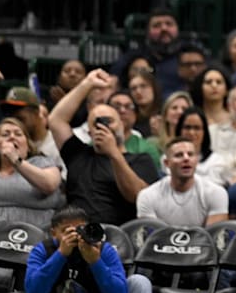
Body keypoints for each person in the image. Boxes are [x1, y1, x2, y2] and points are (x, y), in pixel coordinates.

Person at [47, 69, 160, 225]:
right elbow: (56, 120)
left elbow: (138, 197)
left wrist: (114, 153)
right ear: (89, 131)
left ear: (121, 124)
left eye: (109, 121)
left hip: (119, 236)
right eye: (97, 123)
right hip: (76, 233)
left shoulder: (140, 160)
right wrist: (87, 83)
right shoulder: (78, 154)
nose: (103, 127)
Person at [26, 205, 153, 293]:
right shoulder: (42, 250)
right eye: (67, 231)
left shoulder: (104, 250)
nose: (75, 236)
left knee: (139, 282)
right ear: (53, 233)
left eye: (80, 230)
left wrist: (95, 262)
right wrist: (60, 255)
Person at [136, 137, 229, 227]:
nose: (186, 158)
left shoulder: (216, 193)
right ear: (166, 163)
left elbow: (213, 237)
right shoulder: (147, 196)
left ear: (196, 161)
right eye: (179, 155)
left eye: (190, 154)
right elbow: (152, 238)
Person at [110, 10, 186, 94]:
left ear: (177, 28)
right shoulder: (133, 58)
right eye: (157, 25)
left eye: (169, 24)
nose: (164, 28)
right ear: (148, 32)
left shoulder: (189, 55)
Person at [175, 108, 231, 187]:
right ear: (179, 130)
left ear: (205, 132)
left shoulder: (217, 162)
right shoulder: (169, 160)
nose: (191, 132)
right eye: (187, 127)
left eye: (197, 128)